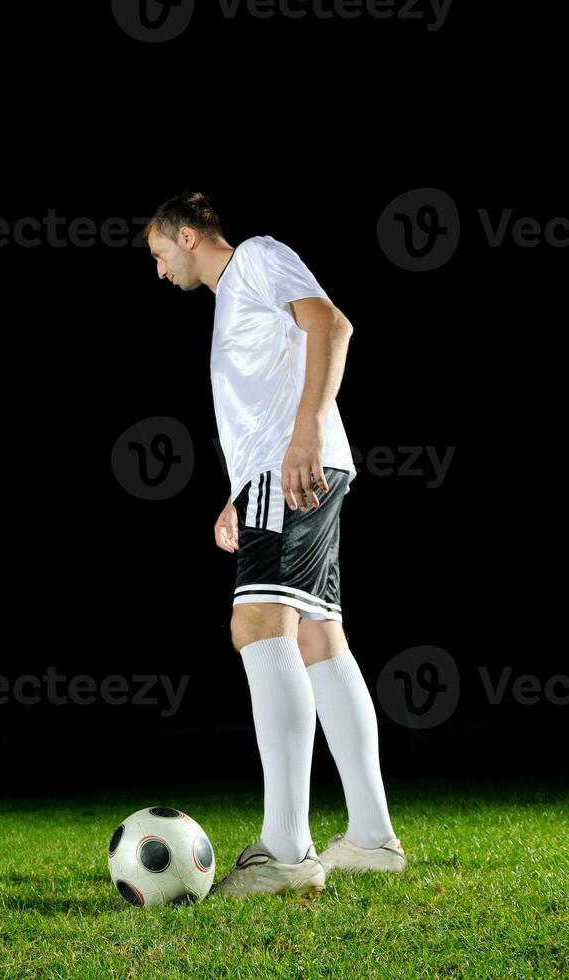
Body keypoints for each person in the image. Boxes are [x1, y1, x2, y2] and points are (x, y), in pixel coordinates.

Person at [145, 191, 406, 897]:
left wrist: (307, 431)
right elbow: (268, 391)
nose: (161, 273)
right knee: (320, 636)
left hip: (293, 466)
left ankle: (287, 850)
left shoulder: (257, 258)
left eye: (161, 255)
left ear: (191, 237)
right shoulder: (234, 300)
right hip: (275, 471)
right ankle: (372, 837)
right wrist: (239, 489)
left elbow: (333, 326)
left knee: (258, 624)